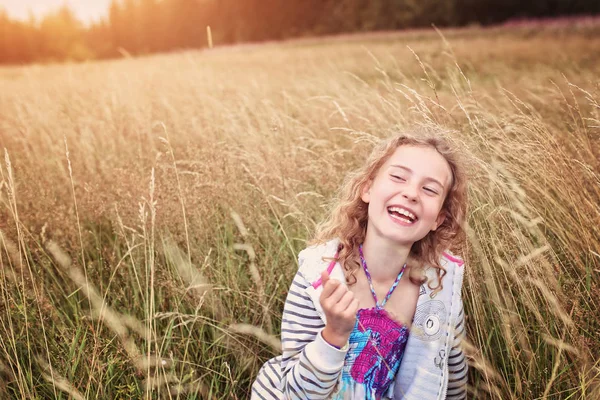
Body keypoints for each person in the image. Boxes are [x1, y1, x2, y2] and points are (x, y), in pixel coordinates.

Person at [251, 132, 469, 399]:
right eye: (398, 177)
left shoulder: (440, 293)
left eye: (429, 189)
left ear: (438, 218)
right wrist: (334, 334)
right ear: (367, 189)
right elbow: (298, 393)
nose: (411, 193)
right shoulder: (319, 277)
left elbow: (449, 382)